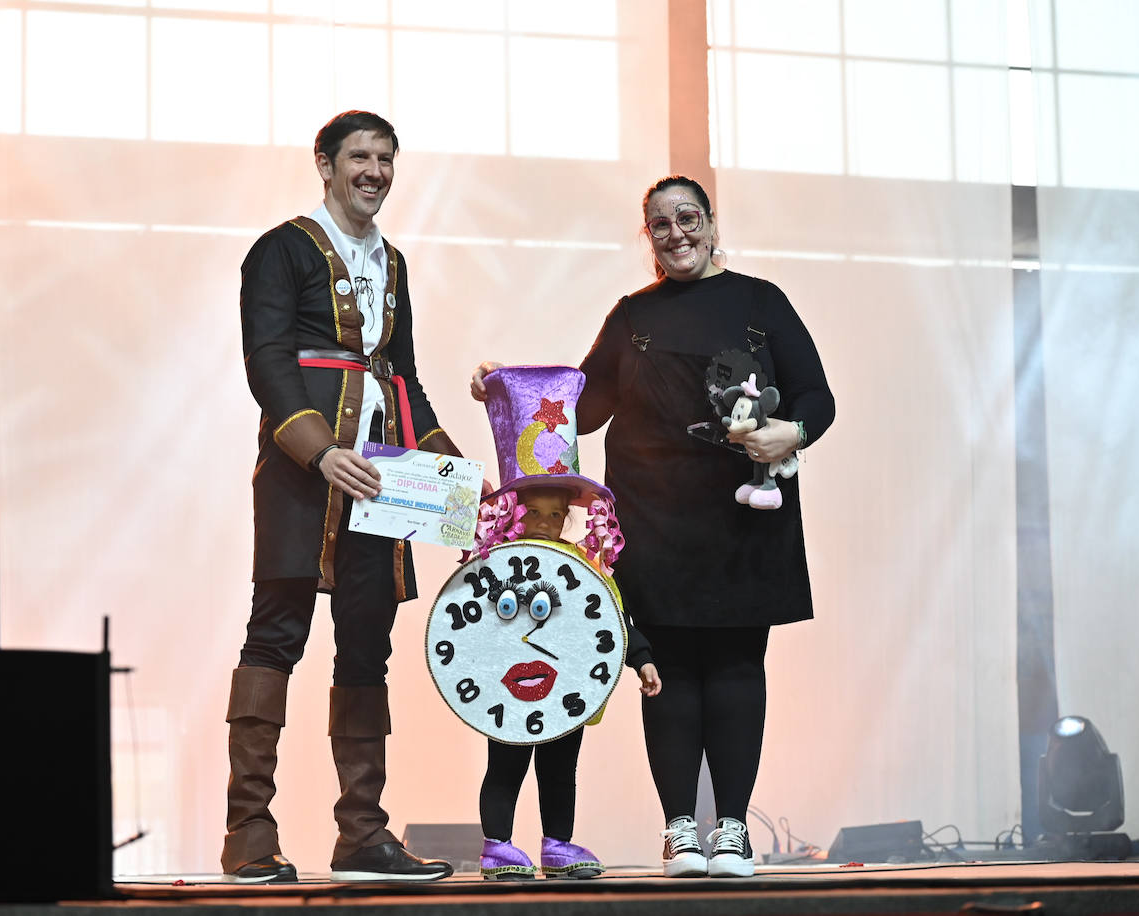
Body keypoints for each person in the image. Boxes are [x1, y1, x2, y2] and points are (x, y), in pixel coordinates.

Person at [470, 177, 834, 878]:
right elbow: (575, 408)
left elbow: (818, 395)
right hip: (653, 519)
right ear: (649, 236)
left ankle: (730, 830)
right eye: (659, 225)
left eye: (687, 218)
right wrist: (503, 383)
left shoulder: (761, 304)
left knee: (735, 668)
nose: (676, 234)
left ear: (710, 221)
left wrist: (792, 432)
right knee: (663, 673)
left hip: (741, 518)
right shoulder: (633, 316)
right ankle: (680, 834)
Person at [221, 110, 463, 884]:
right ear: (324, 163)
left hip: (381, 486)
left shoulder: (392, 263)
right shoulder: (281, 248)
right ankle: (248, 834)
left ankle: (362, 835)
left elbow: (405, 379)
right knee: (276, 636)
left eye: (386, 158)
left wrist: (454, 476)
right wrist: (319, 451)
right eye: (360, 156)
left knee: (366, 650)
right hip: (301, 478)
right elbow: (267, 362)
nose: (375, 171)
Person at [476, 485, 662, 881]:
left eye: (556, 515)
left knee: (560, 770)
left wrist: (642, 660)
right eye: (534, 514)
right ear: (514, 515)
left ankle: (557, 845)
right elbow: (468, 623)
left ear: (567, 518)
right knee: (505, 767)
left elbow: (612, 617)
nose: (545, 523)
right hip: (508, 694)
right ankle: (497, 847)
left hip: (565, 693)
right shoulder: (496, 562)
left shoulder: (583, 565)